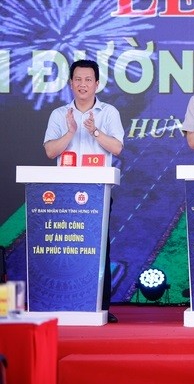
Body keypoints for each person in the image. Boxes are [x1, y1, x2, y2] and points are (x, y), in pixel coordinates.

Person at [43, 59, 124, 323]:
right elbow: (50, 151)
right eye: (78, 79)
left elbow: (117, 148)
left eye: (88, 80)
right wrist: (71, 132)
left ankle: (101, 306)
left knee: (99, 248)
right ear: (70, 83)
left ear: (97, 84)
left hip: (98, 190)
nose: (83, 84)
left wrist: (95, 131)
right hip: (64, 193)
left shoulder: (108, 112)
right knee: (66, 244)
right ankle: (63, 300)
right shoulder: (59, 114)